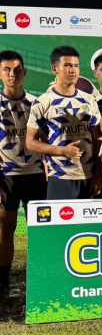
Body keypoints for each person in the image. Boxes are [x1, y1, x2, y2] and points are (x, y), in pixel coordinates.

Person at [26, 45, 102, 199]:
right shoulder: (42, 102)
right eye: (67, 65)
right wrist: (61, 151)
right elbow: (30, 142)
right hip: (59, 177)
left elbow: (97, 139)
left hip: (88, 176)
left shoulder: (89, 100)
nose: (73, 70)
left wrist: (98, 175)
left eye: (76, 66)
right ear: (55, 69)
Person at [0, 50, 47, 298]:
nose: (12, 74)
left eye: (17, 70)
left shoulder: (36, 103)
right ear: (0, 73)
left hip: (36, 174)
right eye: (7, 70)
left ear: (25, 73)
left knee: (39, 232)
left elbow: (46, 138)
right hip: (6, 175)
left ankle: (40, 281)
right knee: (5, 230)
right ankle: (3, 283)